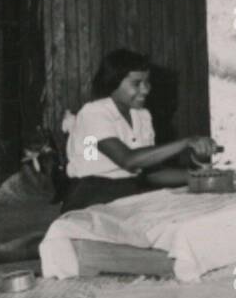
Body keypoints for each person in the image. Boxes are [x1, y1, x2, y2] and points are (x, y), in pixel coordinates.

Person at [62, 49, 219, 214]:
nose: (145, 90)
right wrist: (187, 142)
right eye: (136, 83)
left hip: (129, 191)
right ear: (113, 82)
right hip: (91, 195)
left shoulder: (141, 115)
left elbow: (151, 173)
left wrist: (201, 176)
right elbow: (128, 160)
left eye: (147, 82)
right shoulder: (93, 113)